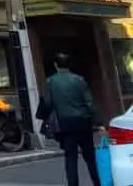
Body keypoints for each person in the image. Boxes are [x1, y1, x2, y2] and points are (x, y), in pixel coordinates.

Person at [36, 53, 102, 186]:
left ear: (55, 65)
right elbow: (89, 103)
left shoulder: (51, 82)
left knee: (70, 158)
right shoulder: (79, 80)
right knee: (90, 157)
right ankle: (97, 182)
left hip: (65, 123)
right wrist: (97, 121)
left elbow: (47, 103)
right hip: (83, 122)